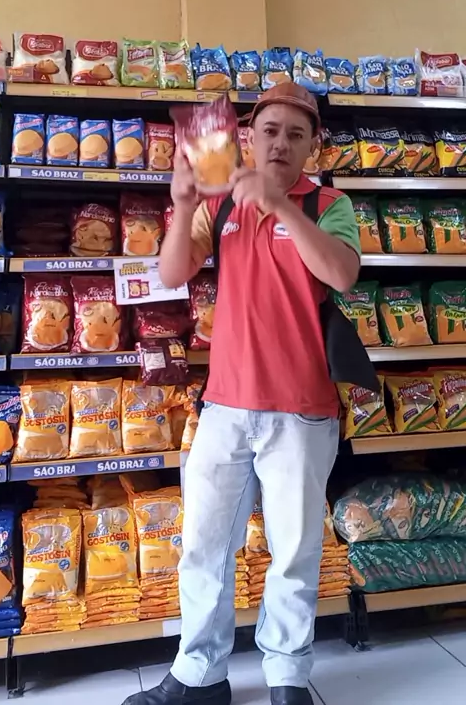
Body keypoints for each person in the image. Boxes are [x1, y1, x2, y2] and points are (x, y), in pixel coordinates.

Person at [123, 83, 360, 705]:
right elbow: (172, 272)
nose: (280, 143)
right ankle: (199, 676)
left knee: (294, 552)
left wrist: (281, 206)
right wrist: (181, 206)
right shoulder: (221, 202)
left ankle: (288, 678)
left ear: (314, 145)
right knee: (204, 547)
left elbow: (342, 273)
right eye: (270, 131)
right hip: (225, 406)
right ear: (247, 138)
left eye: (296, 134)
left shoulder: (329, 203)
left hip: (303, 411)